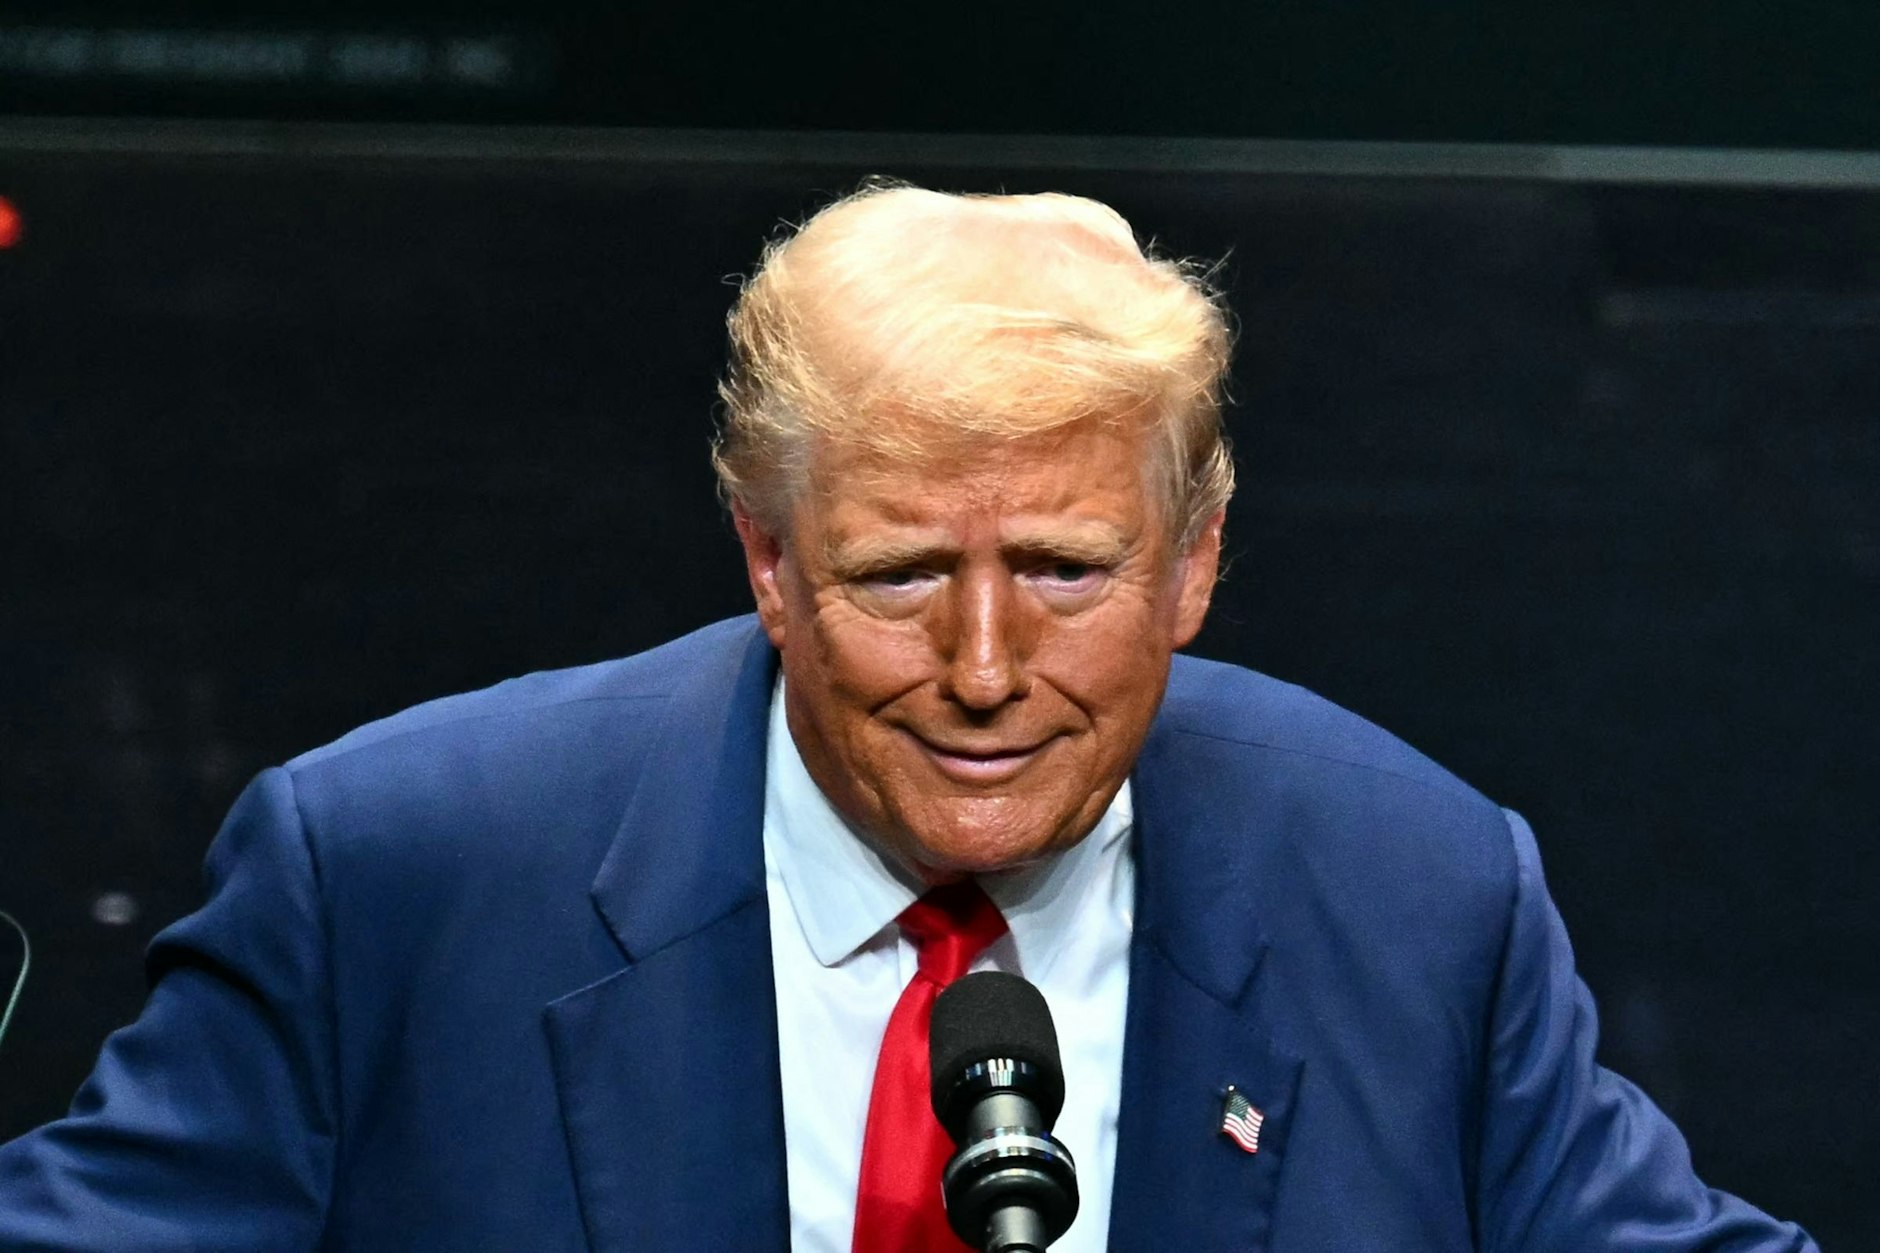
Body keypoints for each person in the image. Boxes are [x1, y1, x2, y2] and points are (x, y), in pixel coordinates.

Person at [0, 182, 1817, 1252]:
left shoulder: (1414, 884)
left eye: (1066, 568)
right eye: (892, 576)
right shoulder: (393, 872)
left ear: (1197, 561)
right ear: (767, 564)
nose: (980, 662)